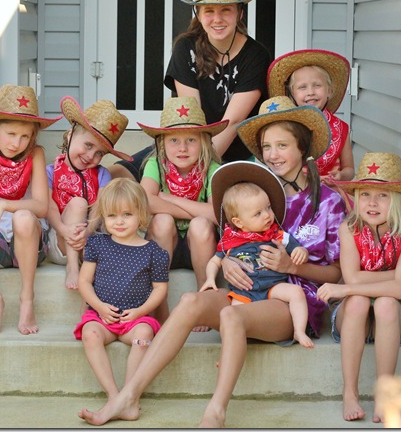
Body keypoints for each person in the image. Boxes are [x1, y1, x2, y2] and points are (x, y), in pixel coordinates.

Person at [77, 96, 347, 427]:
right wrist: (229, 261)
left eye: (282, 145)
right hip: (245, 289)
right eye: (266, 147)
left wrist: (293, 267)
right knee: (191, 301)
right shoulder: (254, 188)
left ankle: (216, 411)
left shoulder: (328, 202)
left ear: (302, 147)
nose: (272, 154)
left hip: (291, 300)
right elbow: (234, 238)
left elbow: (337, 273)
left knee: (231, 315)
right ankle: (127, 397)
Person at [109, 0, 270, 182]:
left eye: (226, 10)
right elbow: (191, 119)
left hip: (232, 152)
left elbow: (233, 122)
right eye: (209, 11)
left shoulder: (256, 55)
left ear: (240, 13)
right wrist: (183, 166)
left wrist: (198, 173)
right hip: (185, 147)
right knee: (115, 175)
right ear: (198, 14)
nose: (217, 19)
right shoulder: (186, 48)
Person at [316, 152, 401, 423]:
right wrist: (392, 278)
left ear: (398, 200)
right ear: (356, 198)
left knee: (386, 303)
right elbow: (354, 278)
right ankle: (350, 392)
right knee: (358, 302)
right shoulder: (349, 229)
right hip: (353, 316)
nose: (372, 202)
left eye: (382, 195)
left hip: (391, 317)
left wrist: (345, 289)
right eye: (365, 194)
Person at [0, 85, 61, 336]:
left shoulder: (35, 155)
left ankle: (27, 299)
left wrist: (5, 204)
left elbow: (41, 206)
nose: (17, 143)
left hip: (30, 245)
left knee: (24, 217)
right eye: (11, 134)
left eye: (25, 136)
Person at [75, 177, 170, 402]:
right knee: (90, 333)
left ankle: (129, 393)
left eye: (127, 214)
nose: (119, 221)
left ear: (141, 214)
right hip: (102, 317)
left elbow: (160, 289)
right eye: (112, 215)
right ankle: (113, 394)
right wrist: (99, 307)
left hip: (135, 319)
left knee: (144, 336)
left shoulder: (153, 252)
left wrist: (140, 312)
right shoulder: (98, 245)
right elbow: (84, 282)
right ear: (104, 217)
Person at [204, 161, 313, 348]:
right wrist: (209, 278)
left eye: (268, 208)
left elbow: (297, 247)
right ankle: (229, 350)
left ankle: (299, 330)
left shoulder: (276, 234)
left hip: (273, 287)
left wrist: (300, 252)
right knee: (232, 317)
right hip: (244, 292)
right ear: (239, 222)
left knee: (296, 292)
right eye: (258, 213)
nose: (267, 215)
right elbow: (215, 261)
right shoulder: (231, 240)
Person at [137, 96, 224, 328]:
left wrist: (168, 198)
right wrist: (197, 211)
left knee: (201, 225)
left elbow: (216, 214)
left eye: (191, 140)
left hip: (202, 247)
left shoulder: (212, 169)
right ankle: (159, 301)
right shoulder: (156, 164)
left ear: (204, 141)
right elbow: (144, 201)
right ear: (162, 143)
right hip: (166, 245)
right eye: (174, 140)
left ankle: (204, 298)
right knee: (162, 221)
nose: (182, 148)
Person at [45, 97, 132, 290]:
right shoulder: (51, 171)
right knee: (79, 204)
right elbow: (49, 207)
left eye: (100, 153)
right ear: (70, 135)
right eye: (88, 145)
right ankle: (72, 266)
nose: (91, 156)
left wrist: (87, 231)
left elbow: (100, 209)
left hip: (90, 237)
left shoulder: (102, 174)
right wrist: (64, 230)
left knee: (101, 240)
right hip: (60, 240)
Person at [267, 49, 354, 182]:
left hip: (330, 191)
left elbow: (349, 169)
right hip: (296, 189)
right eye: (302, 87)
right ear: (292, 94)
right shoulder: (286, 127)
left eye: (317, 85)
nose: (310, 92)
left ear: (329, 91)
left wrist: (341, 176)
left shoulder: (341, 128)